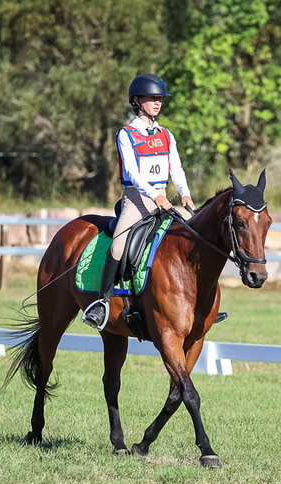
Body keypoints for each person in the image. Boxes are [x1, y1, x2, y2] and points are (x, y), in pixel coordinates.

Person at [81, 73, 196, 330]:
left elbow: (176, 168)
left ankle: (200, 303)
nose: (158, 103)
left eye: (160, 99)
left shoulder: (166, 134)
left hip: (164, 199)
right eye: (152, 98)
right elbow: (132, 172)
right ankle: (101, 303)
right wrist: (155, 195)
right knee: (118, 246)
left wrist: (185, 192)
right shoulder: (127, 134)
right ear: (137, 101)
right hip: (136, 199)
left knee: (196, 235)